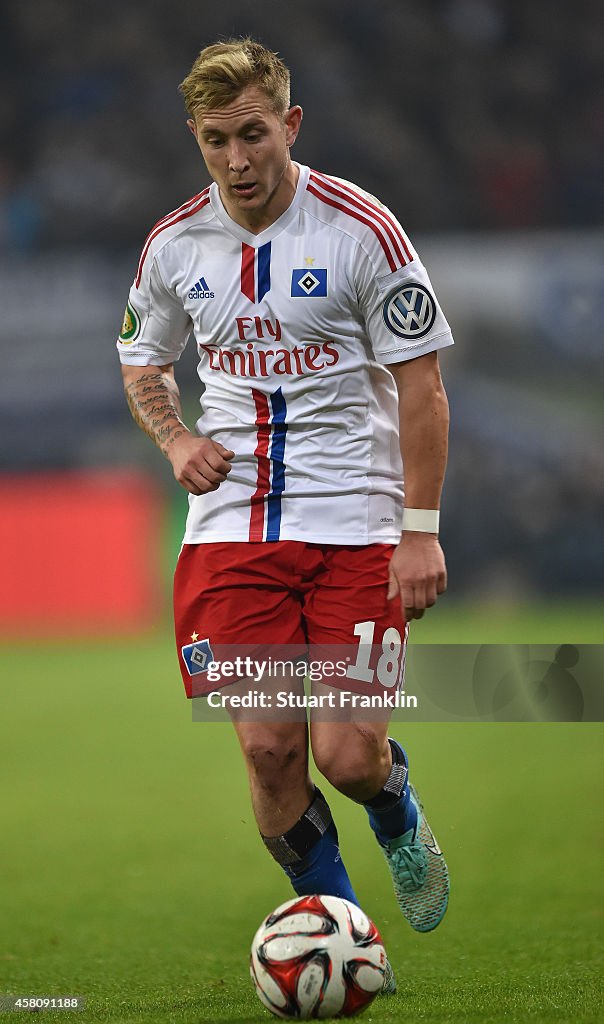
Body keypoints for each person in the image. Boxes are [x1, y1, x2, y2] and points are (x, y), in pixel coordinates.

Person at [117, 37, 452, 994]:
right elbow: (144, 361)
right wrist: (177, 440)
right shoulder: (174, 245)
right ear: (196, 136)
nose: (237, 160)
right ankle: (348, 935)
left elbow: (422, 386)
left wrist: (420, 529)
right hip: (233, 530)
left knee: (346, 759)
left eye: (254, 134)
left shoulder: (361, 231)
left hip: (355, 521)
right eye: (216, 139)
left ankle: (393, 805)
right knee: (270, 753)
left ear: (291, 126)